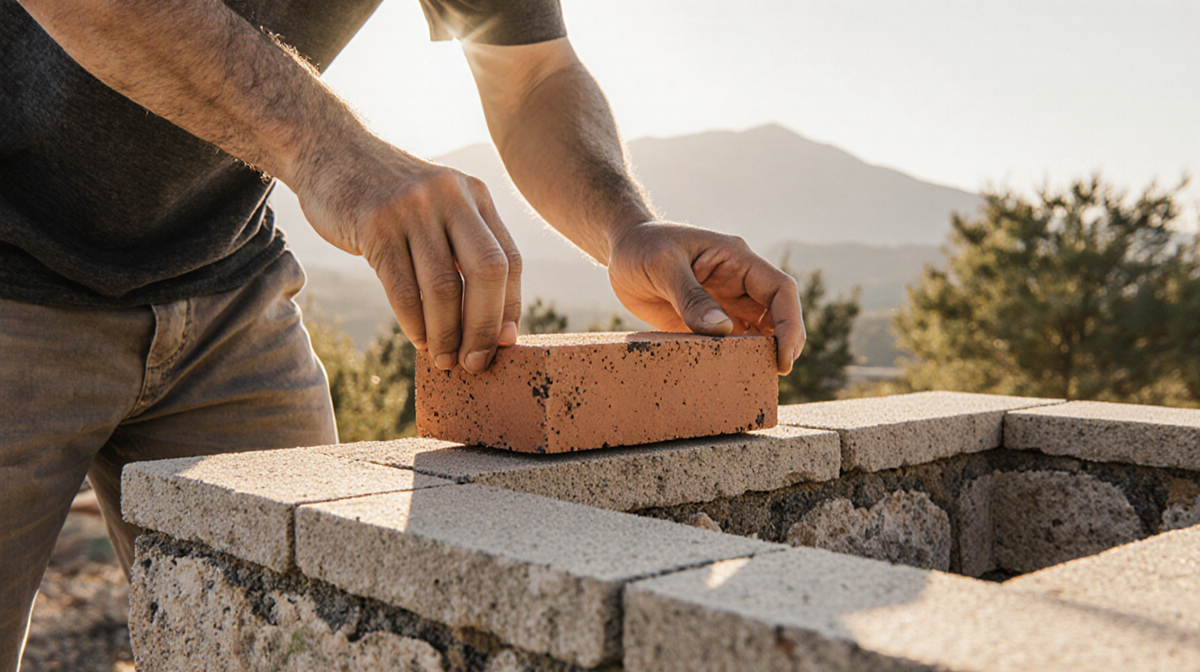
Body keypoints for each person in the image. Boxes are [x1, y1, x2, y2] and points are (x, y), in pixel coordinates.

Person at [0, 0, 805, 668]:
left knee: (295, 642)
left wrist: (626, 225)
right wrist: (332, 152)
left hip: (225, 285)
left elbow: (532, 77)